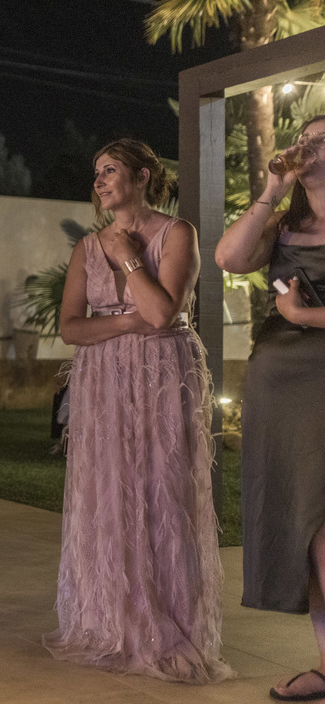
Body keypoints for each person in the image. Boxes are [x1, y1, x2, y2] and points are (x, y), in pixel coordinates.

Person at [43, 138, 231, 683]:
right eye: (96, 172)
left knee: (161, 491)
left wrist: (128, 257)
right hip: (103, 379)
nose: (99, 180)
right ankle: (112, 621)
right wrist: (128, 323)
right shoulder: (86, 248)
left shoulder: (178, 234)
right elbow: (71, 328)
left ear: (143, 175)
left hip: (161, 376)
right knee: (109, 491)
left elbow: (163, 313)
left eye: (110, 169)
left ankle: (169, 624)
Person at [217, 116, 325, 700]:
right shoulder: (283, 224)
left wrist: (304, 316)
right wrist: (271, 191)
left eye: (323, 138)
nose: (308, 146)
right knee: (301, 530)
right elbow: (229, 258)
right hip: (278, 386)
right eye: (305, 138)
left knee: (322, 525)